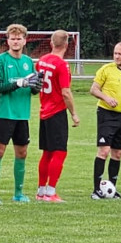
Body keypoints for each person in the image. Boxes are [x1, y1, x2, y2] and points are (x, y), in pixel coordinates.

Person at [0, 23, 40, 204]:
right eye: (13, 38)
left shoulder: (28, 62)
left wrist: (36, 86)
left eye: (19, 38)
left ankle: (18, 193)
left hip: (22, 114)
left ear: (25, 41)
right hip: (4, 113)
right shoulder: (1, 60)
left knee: (22, 153)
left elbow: (33, 89)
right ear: (7, 40)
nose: (16, 41)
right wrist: (18, 83)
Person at [89, 41, 121, 198]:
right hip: (106, 114)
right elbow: (93, 89)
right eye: (115, 53)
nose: (116, 56)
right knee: (104, 151)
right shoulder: (106, 69)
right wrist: (106, 98)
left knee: (117, 153)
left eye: (120, 53)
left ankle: (111, 188)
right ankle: (96, 190)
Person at [35, 29, 80, 202]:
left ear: (51, 43)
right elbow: (65, 92)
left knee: (47, 152)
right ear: (67, 45)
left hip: (44, 111)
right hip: (56, 112)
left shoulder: (42, 60)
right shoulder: (62, 65)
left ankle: (41, 191)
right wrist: (74, 114)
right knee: (59, 152)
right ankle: (51, 192)